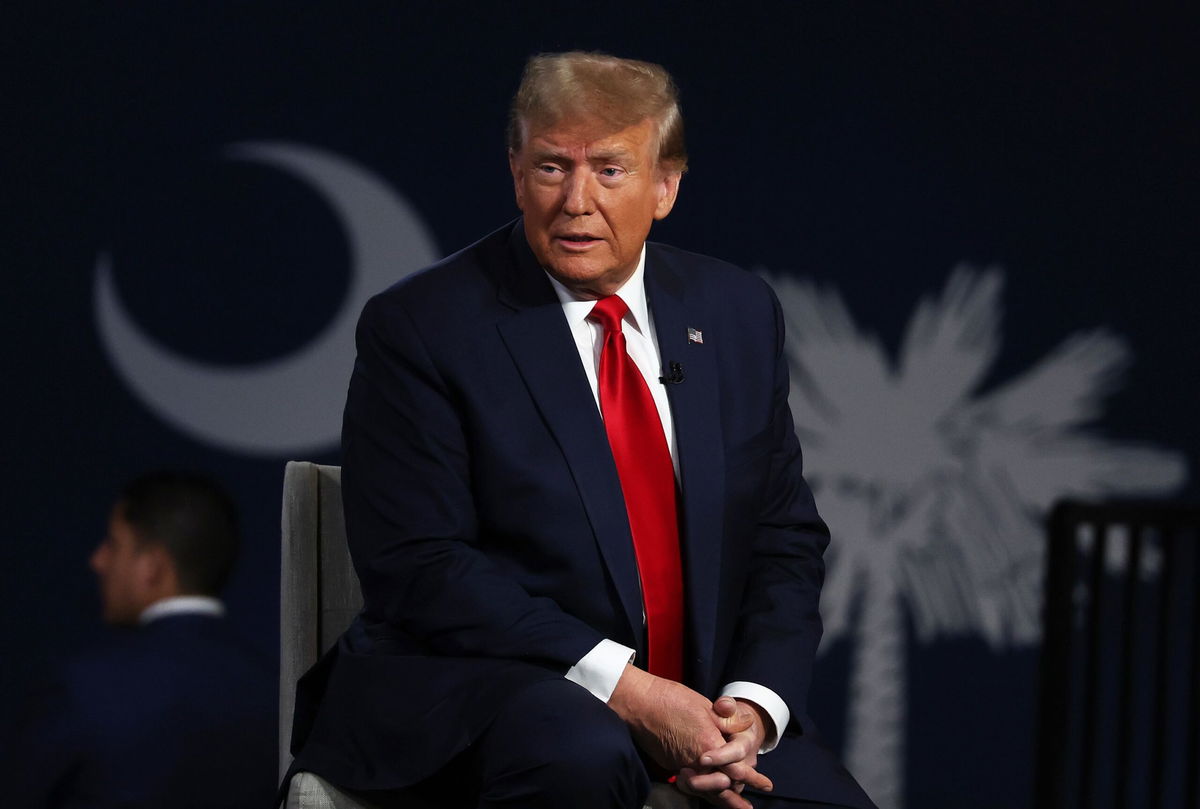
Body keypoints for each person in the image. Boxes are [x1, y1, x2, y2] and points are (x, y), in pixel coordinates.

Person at [288, 51, 875, 809]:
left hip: (701, 702)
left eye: (608, 169)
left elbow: (782, 538)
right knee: (583, 756)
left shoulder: (735, 313)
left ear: (665, 185)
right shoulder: (423, 327)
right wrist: (627, 690)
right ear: (514, 172)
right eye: (550, 167)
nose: (575, 200)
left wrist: (751, 709)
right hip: (490, 690)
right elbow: (421, 565)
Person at [8, 471, 277, 809]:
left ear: (152, 566)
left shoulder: (79, 688)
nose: (98, 560)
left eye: (113, 544)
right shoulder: (275, 693)